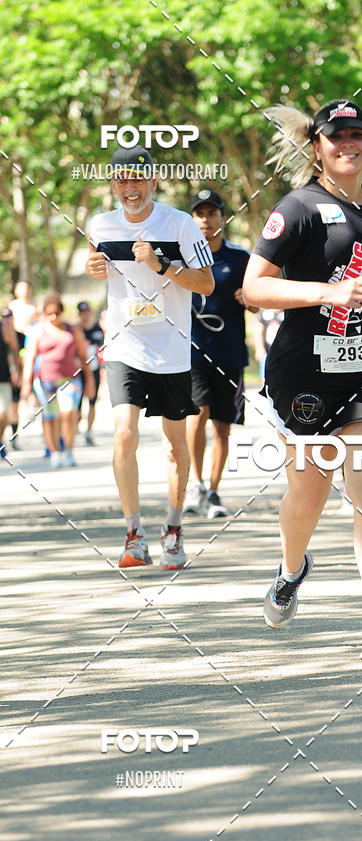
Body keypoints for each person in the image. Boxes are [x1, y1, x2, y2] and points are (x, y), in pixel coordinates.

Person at [243, 99, 362, 662]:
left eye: (358, 134)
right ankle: (292, 567)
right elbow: (253, 289)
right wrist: (327, 292)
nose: (349, 143)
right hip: (307, 376)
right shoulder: (297, 209)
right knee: (309, 492)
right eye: (336, 135)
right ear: (316, 145)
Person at [85, 146, 214, 570]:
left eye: (137, 179)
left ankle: (173, 530)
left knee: (176, 448)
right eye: (121, 180)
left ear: (153, 181)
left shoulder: (179, 224)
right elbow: (97, 264)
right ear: (112, 185)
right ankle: (133, 533)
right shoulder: (99, 224)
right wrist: (93, 268)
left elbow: (207, 285)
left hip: (172, 349)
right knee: (124, 434)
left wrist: (161, 266)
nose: (130, 188)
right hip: (124, 345)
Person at [182, 189, 250, 519]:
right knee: (197, 415)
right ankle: (194, 484)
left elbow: (258, 299)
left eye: (212, 213)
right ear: (192, 219)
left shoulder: (240, 259)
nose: (206, 219)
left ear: (223, 218)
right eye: (200, 213)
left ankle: (214, 491)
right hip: (192, 353)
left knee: (222, 426)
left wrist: (251, 299)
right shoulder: (182, 257)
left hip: (230, 355)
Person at [22, 294, 94, 468]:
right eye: (49, 314)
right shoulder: (38, 330)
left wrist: (90, 379)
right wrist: (26, 383)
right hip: (45, 380)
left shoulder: (72, 330)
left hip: (70, 379)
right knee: (50, 416)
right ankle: (54, 451)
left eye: (56, 313)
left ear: (62, 312)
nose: (53, 317)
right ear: (44, 314)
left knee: (69, 414)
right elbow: (30, 358)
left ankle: (68, 449)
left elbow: (83, 356)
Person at [8, 281, 37, 449]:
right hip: (17, 346)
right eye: (21, 288)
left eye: (27, 288)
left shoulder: (35, 307)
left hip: (31, 344)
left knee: (32, 375)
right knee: (16, 384)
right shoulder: (12, 306)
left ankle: (30, 404)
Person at [76, 301, 105, 445]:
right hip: (78, 371)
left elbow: (103, 349)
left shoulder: (97, 329)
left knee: (92, 402)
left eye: (87, 311)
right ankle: (74, 429)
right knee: (77, 403)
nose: (85, 314)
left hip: (94, 370)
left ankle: (88, 431)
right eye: (83, 312)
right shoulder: (76, 330)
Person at [0, 308, 22, 458]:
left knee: (3, 413)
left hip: (2, 376)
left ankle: (0, 440)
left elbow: (15, 350)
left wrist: (17, 371)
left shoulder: (5, 328)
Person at [253, 307, 284, 380]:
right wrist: (259, 348)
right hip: (268, 350)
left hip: (282, 350)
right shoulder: (264, 313)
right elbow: (259, 331)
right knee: (265, 375)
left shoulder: (286, 313)